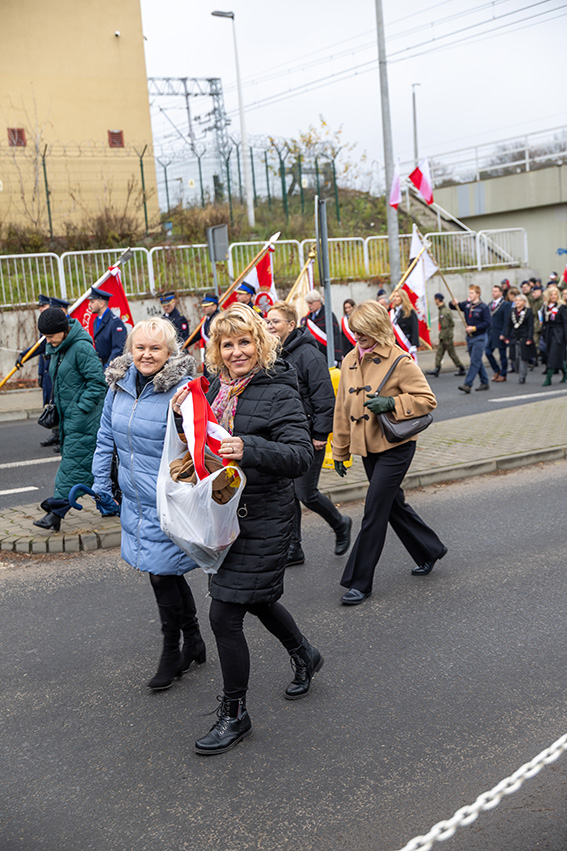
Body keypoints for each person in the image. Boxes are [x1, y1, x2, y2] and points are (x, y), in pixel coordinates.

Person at [171, 304, 319, 756]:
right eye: (227, 344)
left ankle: (235, 714)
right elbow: (203, 439)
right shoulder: (215, 386)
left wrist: (248, 448)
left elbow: (300, 455)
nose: (237, 352)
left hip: (265, 517)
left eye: (245, 342)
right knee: (256, 598)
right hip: (225, 515)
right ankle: (305, 653)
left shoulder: (279, 388)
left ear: (261, 343)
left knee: (224, 613)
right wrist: (181, 416)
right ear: (217, 349)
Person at [92, 318, 206, 691]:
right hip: (134, 499)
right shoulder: (119, 386)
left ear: (170, 352)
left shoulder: (183, 390)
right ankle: (194, 640)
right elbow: (105, 436)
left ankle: (172, 650)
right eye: (140, 347)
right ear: (130, 350)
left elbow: (197, 443)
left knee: (160, 573)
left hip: (167, 499)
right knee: (166, 572)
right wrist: (100, 481)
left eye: (155, 348)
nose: (146, 354)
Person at [331, 301, 445, 606]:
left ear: (377, 327)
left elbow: (427, 400)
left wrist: (393, 403)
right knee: (393, 505)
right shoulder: (350, 359)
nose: (357, 335)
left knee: (374, 509)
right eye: (354, 330)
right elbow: (342, 409)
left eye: (362, 330)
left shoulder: (400, 360)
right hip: (368, 447)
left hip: (397, 446)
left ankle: (359, 582)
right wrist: (340, 450)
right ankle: (430, 549)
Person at [266, 301, 352, 566]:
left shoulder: (309, 355)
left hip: (309, 435)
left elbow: (324, 398)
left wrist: (320, 434)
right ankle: (294, 548)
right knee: (289, 493)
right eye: (267, 321)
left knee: (306, 493)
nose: (269, 326)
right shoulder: (273, 354)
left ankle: (340, 524)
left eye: (275, 321)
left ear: (291, 325)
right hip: (285, 435)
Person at [32, 308, 107, 531]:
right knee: (92, 466)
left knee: (72, 466)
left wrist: (79, 408)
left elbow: (97, 383)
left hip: (84, 419)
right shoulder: (59, 348)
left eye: (50, 335)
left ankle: (55, 513)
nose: (48, 340)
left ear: (64, 330)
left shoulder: (81, 348)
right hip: (69, 418)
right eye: (45, 336)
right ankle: (110, 504)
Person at [15, 294, 60, 449]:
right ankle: (56, 434)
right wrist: (25, 357)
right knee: (50, 402)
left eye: (43, 306)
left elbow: (42, 347)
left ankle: (62, 436)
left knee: (58, 403)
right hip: (48, 370)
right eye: (40, 307)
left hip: (57, 370)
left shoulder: (58, 325)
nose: (41, 309)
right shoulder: (45, 324)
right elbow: (41, 350)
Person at [450, 285, 491, 393]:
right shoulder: (467, 305)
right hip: (470, 338)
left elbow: (487, 323)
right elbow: (455, 307)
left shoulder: (483, 307)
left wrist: (474, 328)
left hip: (480, 337)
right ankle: (485, 381)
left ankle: (468, 384)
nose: (470, 295)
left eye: (472, 293)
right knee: (477, 360)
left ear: (478, 294)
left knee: (474, 361)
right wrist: (453, 303)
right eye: (469, 293)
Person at [425, 293, 466, 377]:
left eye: (435, 299)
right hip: (444, 336)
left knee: (452, 353)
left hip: (446, 337)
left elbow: (446, 326)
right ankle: (437, 368)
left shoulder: (444, 312)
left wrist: (444, 336)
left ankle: (461, 368)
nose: (435, 301)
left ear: (437, 300)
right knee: (439, 353)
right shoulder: (443, 310)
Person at [89, 286, 128, 368]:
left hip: (112, 366)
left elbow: (118, 349)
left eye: (92, 302)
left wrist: (108, 367)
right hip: (101, 365)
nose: (89, 305)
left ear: (101, 304)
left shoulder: (115, 322)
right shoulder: (96, 321)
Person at [304, 289, 342, 362]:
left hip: (327, 355)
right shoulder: (308, 318)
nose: (309, 306)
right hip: (313, 356)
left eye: (311, 303)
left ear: (318, 301)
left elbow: (336, 336)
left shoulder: (328, 315)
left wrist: (336, 357)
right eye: (308, 303)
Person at [504, 294, 534, 384]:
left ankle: (522, 376)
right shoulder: (512, 311)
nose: (518, 302)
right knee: (514, 356)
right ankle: (518, 369)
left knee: (523, 356)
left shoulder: (528, 312)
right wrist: (506, 336)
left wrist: (529, 338)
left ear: (524, 302)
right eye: (516, 300)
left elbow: (530, 326)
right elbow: (508, 324)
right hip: (514, 336)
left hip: (524, 335)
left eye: (520, 300)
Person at [541, 286, 567, 386]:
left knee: (553, 354)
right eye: (551, 294)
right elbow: (545, 322)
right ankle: (565, 372)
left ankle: (548, 378)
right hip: (549, 332)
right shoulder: (546, 307)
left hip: (559, 333)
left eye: (555, 294)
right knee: (556, 355)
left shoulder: (562, 307)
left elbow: (565, 323)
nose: (553, 296)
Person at [485, 284, 511, 382]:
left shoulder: (505, 305)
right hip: (491, 333)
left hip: (500, 333)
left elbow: (506, 320)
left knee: (502, 355)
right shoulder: (490, 304)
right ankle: (496, 370)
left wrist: (504, 333)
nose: (493, 293)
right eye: (493, 291)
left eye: (496, 291)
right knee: (488, 352)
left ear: (501, 293)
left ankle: (503, 374)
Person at [389, 288, 419, 359]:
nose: (395, 298)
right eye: (394, 296)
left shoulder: (410, 311)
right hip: (396, 344)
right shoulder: (393, 312)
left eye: (397, 296)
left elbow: (414, 328)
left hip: (406, 342)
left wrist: (414, 344)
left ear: (403, 298)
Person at [200, 293, 220, 380]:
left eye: (207, 306)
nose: (204, 308)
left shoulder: (218, 319)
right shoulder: (205, 320)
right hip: (208, 355)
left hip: (216, 355)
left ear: (214, 307)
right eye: (203, 306)